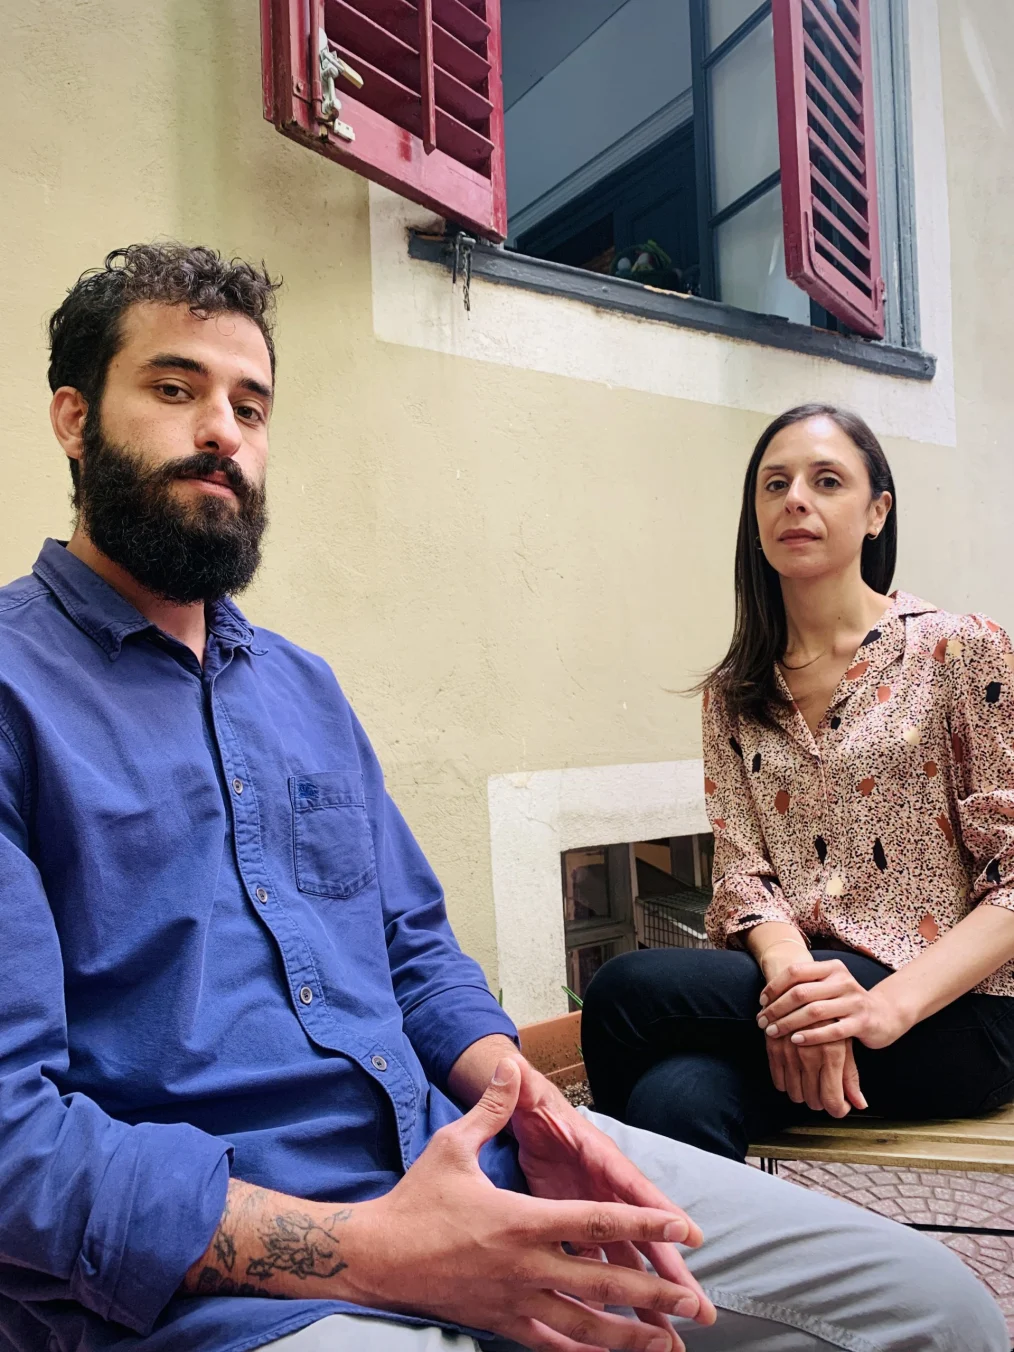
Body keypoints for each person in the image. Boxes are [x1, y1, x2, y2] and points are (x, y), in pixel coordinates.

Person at [0, 258, 1004, 1352]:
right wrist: (387, 1249)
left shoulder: (302, 687)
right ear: (73, 417)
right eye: (174, 388)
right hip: (235, 1280)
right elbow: (17, 1146)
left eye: (251, 405)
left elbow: (416, 952)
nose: (224, 432)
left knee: (936, 1307)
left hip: (467, 1151)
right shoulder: (19, 692)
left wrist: (530, 1104)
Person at [582, 403, 1014, 1174]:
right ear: (755, 520)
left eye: (826, 481)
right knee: (671, 1102)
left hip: (958, 1009)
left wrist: (882, 1006)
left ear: (876, 512)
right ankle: (701, 1294)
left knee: (627, 991)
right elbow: (745, 873)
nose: (796, 501)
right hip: (809, 992)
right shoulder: (735, 692)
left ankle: (603, 1252)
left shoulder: (960, 650)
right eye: (774, 484)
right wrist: (792, 987)